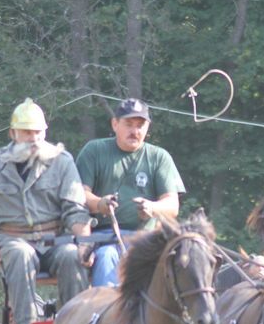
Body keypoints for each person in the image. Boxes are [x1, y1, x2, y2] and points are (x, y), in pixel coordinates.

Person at [0, 98, 93, 324]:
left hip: (55, 239)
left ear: (45, 132)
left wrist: (84, 244)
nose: (33, 138)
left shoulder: (62, 161)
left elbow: (75, 209)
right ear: (13, 133)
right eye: (26, 132)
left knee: (71, 256)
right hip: (13, 240)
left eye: (38, 132)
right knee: (21, 254)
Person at [76, 98, 186, 287]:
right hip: (105, 238)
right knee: (107, 257)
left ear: (147, 127)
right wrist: (100, 204)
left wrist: (151, 207)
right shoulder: (94, 150)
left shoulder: (159, 157)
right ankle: (107, 311)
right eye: (128, 124)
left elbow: (172, 205)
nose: (135, 131)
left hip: (147, 240)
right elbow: (79, 195)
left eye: (140, 125)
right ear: (115, 124)